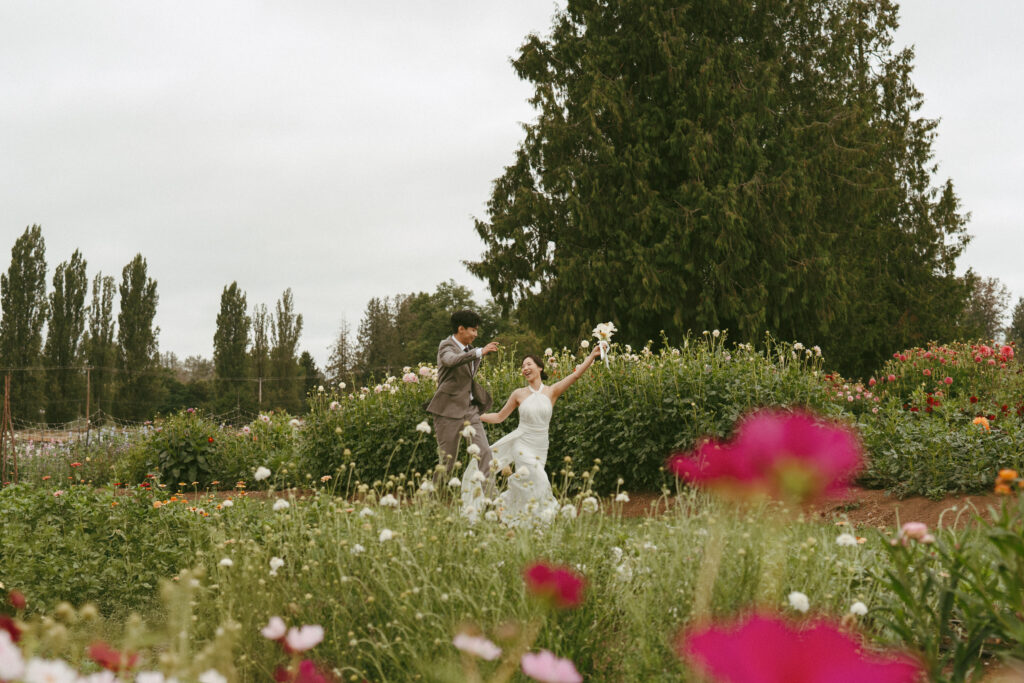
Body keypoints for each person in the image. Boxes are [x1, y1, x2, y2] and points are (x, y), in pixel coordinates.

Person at [462, 344, 604, 526]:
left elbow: (575, 375)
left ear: (540, 367)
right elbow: (499, 417)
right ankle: (544, 516)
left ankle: (514, 514)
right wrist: (476, 416)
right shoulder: (518, 394)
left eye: (529, 364)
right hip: (522, 442)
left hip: (541, 445)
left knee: (530, 483)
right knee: (540, 478)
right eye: (522, 366)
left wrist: (592, 355)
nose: (525, 368)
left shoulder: (551, 391)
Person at [425, 309, 499, 487]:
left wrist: (477, 352)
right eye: (473, 330)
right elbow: (452, 360)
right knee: (447, 462)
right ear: (461, 329)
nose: (476, 334)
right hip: (447, 411)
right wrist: (480, 352)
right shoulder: (446, 346)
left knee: (485, 454)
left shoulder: (470, 350)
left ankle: (491, 506)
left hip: (470, 409)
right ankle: (432, 505)